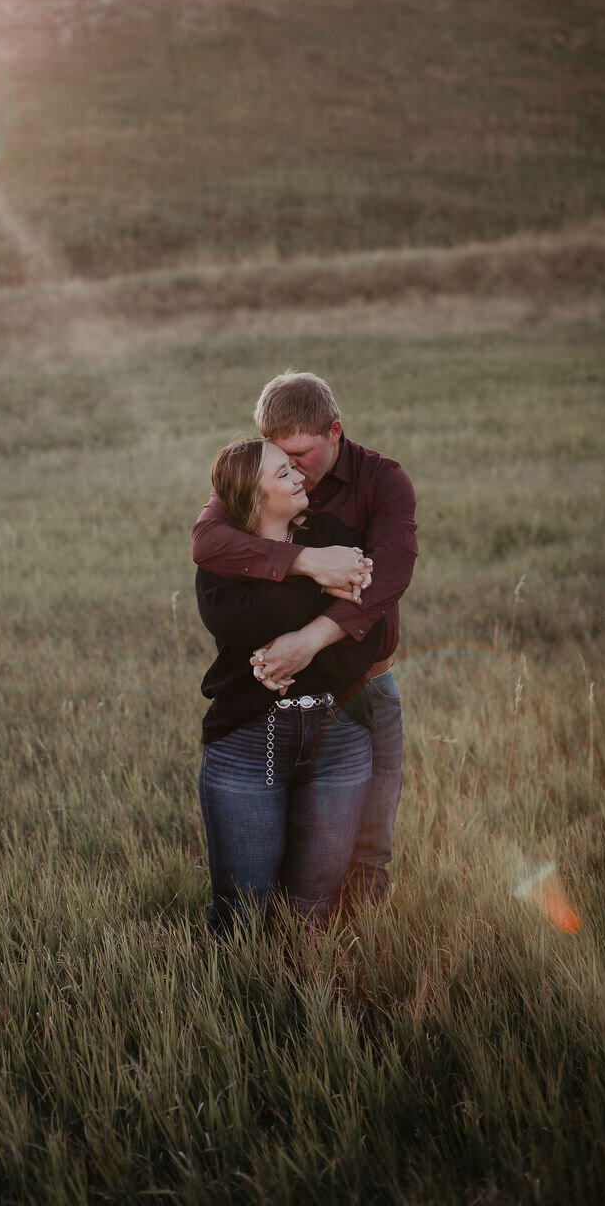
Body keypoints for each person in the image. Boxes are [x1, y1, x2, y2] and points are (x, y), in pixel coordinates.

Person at [192, 372, 417, 910]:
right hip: (259, 715)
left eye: (299, 455)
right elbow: (207, 541)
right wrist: (306, 562)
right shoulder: (256, 480)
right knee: (255, 885)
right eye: (279, 459)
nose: (292, 468)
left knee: (366, 853)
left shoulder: (382, 481)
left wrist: (308, 641)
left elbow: (386, 577)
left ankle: (355, 956)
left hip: (364, 688)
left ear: (334, 432)